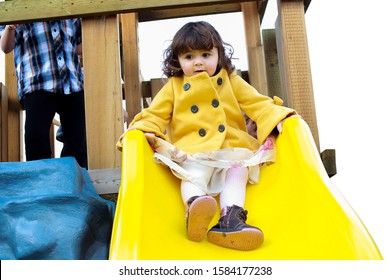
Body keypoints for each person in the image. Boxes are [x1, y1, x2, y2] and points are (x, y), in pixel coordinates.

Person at [118, 21, 297, 251]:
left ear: (218, 55)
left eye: (205, 54)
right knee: (192, 176)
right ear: (178, 61)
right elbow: (156, 114)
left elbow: (257, 104)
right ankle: (195, 206)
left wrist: (277, 117)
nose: (198, 61)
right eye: (189, 57)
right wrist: (144, 129)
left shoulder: (230, 80)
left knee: (238, 173)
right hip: (195, 150)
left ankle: (230, 220)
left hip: (232, 148)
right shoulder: (174, 86)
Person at [0, 19, 88, 168]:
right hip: (38, 81)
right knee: (36, 138)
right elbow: (6, 47)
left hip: (72, 82)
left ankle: (72, 178)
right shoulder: (22, 6)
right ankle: (40, 180)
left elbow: (79, 46)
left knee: (77, 139)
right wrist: (10, 27)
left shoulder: (70, 9)